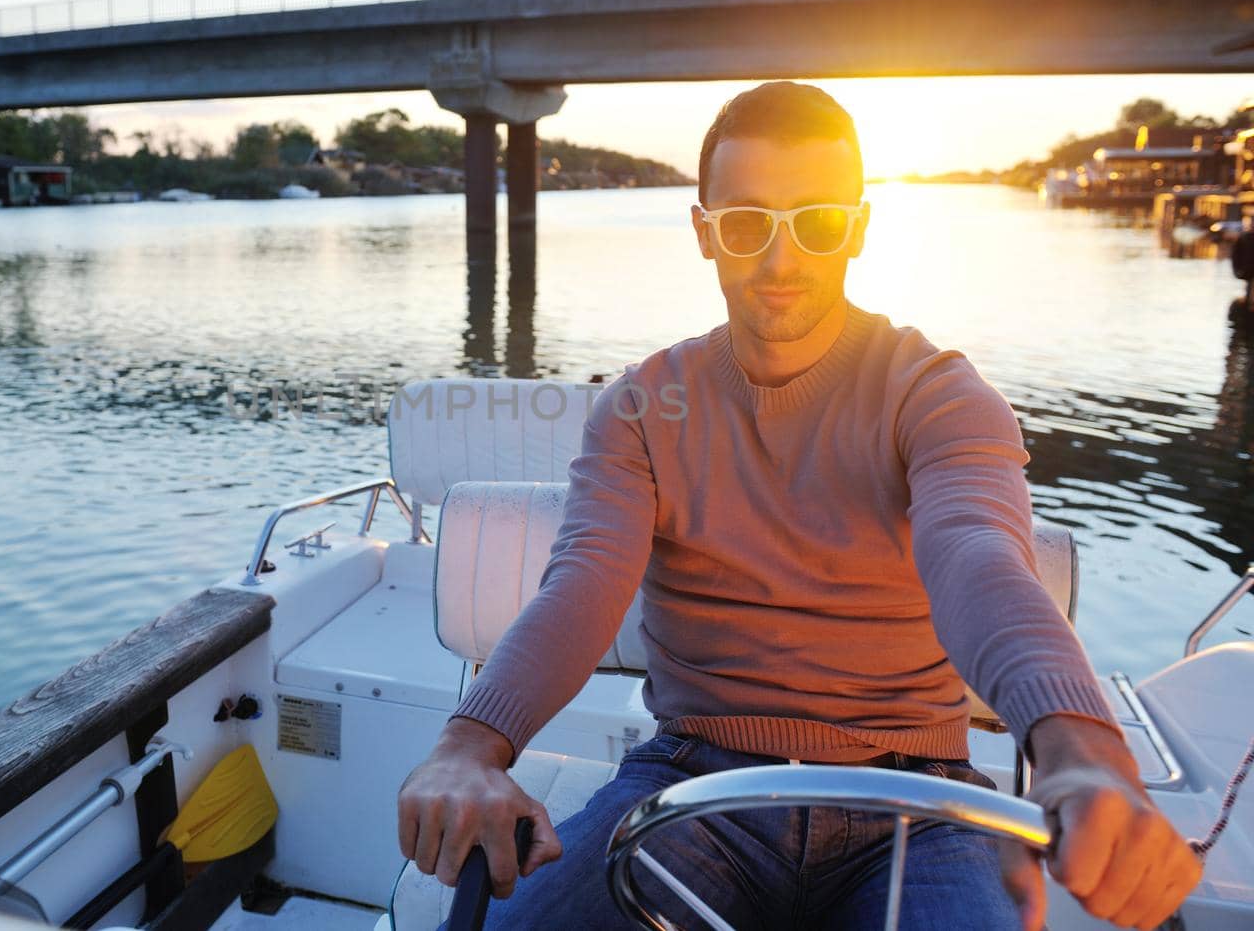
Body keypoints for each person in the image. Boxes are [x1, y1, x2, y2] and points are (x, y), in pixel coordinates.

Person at [397, 82, 1202, 931]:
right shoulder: (640, 406)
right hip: (690, 777)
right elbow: (582, 588)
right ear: (706, 232)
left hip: (916, 796)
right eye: (747, 224)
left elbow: (976, 553)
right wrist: (469, 747)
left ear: (856, 226)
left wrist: (1084, 750)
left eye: (815, 222)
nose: (781, 261)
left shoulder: (937, 394)